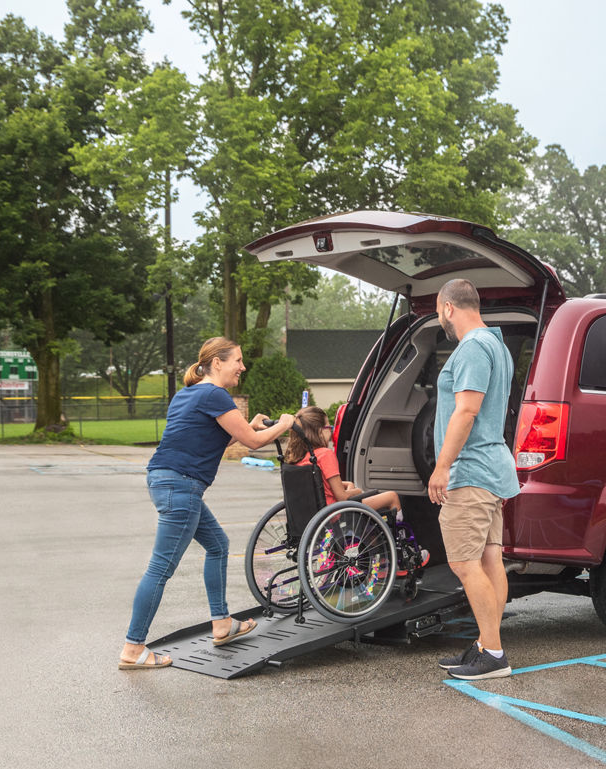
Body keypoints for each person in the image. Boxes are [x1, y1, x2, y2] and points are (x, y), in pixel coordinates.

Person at [118, 337, 296, 670]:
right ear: (217, 363)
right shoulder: (215, 394)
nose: (242, 366)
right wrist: (284, 425)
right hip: (181, 485)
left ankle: (222, 623)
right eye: (237, 360)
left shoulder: (187, 394)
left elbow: (213, 438)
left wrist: (246, 426)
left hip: (167, 480)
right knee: (160, 568)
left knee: (217, 545)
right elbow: (253, 442)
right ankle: (133, 647)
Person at [427, 278, 519, 680]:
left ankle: (494, 654)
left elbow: (466, 411)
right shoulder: (497, 345)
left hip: (471, 471)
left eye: (438, 312)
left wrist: (442, 466)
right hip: (492, 469)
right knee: (489, 560)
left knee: (464, 563)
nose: (440, 319)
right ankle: (486, 644)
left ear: (449, 307)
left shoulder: (472, 348)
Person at [284, 405, 428, 568]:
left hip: (313, 514)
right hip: (334, 513)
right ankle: (401, 550)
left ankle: (375, 546)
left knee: (353, 489)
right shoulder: (325, 454)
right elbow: (342, 497)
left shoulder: (298, 457)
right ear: (318, 431)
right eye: (328, 427)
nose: (331, 431)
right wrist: (358, 490)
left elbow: (319, 485)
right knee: (391, 497)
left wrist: (348, 485)